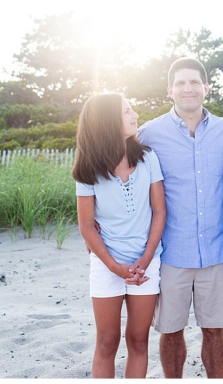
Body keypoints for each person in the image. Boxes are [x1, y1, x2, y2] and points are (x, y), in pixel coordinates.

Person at [137, 58, 223, 378]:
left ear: (206, 88)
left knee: (214, 331)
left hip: (215, 250)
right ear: (170, 90)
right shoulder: (148, 134)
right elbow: (123, 178)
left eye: (194, 82)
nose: (188, 88)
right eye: (181, 83)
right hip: (170, 252)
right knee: (170, 331)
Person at [73, 93, 166, 378]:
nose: (135, 115)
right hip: (106, 264)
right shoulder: (87, 168)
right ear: (108, 121)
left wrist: (146, 259)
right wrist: (114, 266)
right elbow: (87, 225)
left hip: (146, 262)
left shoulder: (148, 157)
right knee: (107, 341)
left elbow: (159, 211)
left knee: (138, 339)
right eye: (127, 111)